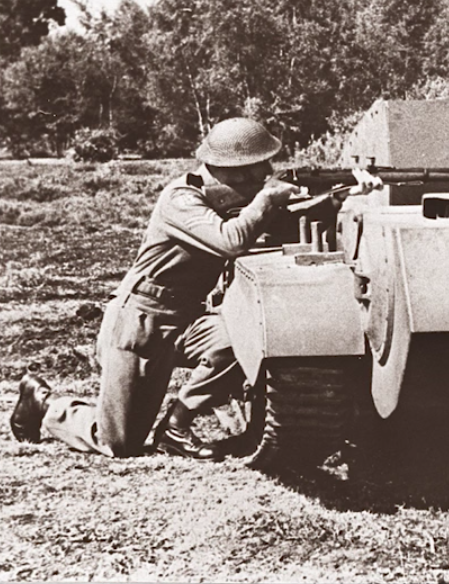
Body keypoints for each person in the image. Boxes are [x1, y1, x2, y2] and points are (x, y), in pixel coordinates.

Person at [10, 118, 379, 459]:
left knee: (241, 340)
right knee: (119, 442)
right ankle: (45, 406)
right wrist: (266, 199)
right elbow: (230, 240)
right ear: (232, 170)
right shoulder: (180, 199)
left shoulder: (230, 200)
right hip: (141, 320)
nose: (266, 175)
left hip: (187, 317)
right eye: (257, 171)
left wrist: (341, 198)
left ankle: (176, 425)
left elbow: (281, 222)